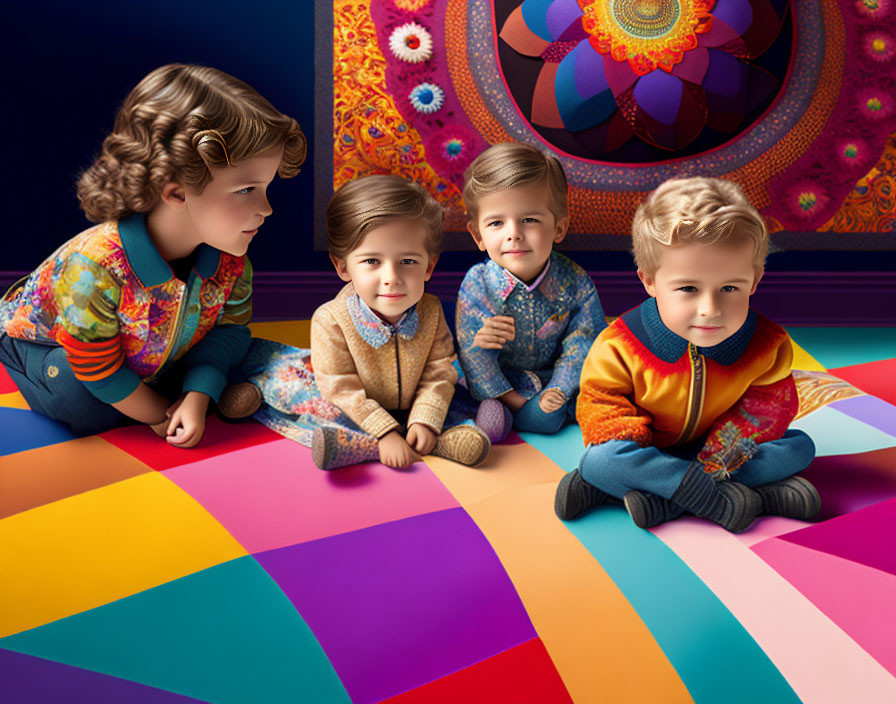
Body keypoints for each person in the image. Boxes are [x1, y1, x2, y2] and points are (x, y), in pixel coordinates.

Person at [0, 64, 306, 447]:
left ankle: (176, 382)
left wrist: (197, 395)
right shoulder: (93, 266)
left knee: (240, 357)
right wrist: (161, 415)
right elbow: (94, 364)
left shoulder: (231, 262)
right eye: (246, 190)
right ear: (176, 193)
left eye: (266, 188)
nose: (267, 208)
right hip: (49, 344)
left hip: (150, 345)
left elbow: (229, 331)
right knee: (80, 404)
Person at [555, 177, 818, 532]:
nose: (710, 309)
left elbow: (766, 408)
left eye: (729, 288)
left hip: (720, 451)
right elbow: (602, 407)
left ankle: (655, 501)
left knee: (799, 447)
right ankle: (740, 499)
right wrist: (639, 454)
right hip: (645, 453)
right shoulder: (619, 345)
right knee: (601, 459)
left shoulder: (768, 345)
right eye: (688, 289)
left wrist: (718, 458)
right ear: (649, 281)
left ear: (754, 281)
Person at [231, 175, 499, 470]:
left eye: (408, 261)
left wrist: (425, 420)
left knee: (450, 391)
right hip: (349, 402)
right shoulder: (331, 320)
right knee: (297, 389)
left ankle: (434, 439)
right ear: (343, 267)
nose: (392, 277)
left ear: (429, 266)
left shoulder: (432, 312)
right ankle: (258, 393)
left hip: (409, 402)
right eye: (372, 261)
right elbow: (340, 387)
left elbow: (438, 372)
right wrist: (383, 430)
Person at [455, 142, 606, 436]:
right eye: (496, 222)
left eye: (529, 220)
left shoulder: (575, 282)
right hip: (501, 379)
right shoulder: (478, 284)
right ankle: (503, 410)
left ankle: (539, 413)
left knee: (593, 394)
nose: (514, 234)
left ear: (558, 229)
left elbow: (582, 343)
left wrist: (560, 389)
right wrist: (511, 397)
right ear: (478, 235)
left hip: (554, 377)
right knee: (473, 396)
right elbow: (473, 354)